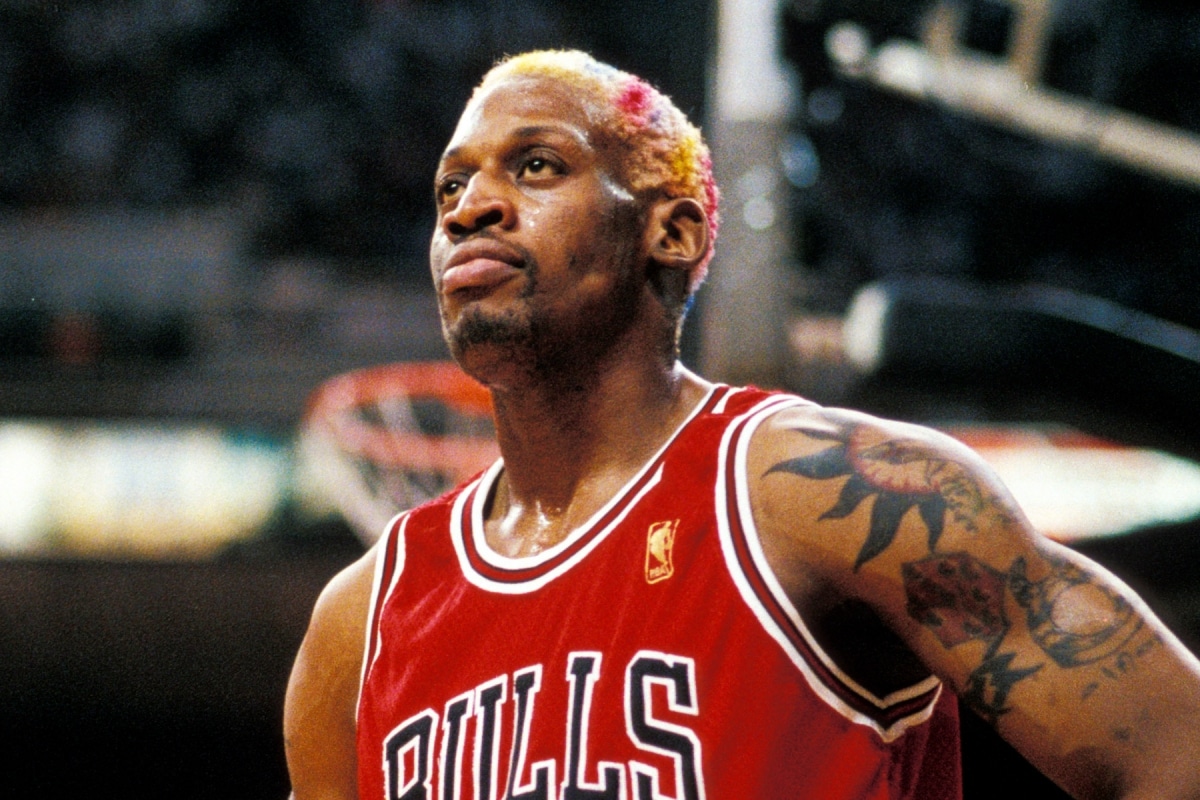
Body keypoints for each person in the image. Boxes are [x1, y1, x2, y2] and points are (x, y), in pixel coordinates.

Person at [283, 49, 1200, 800]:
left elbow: (1177, 747)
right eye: (450, 186)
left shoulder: (830, 496)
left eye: (537, 166)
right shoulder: (359, 627)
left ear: (671, 233)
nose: (469, 208)